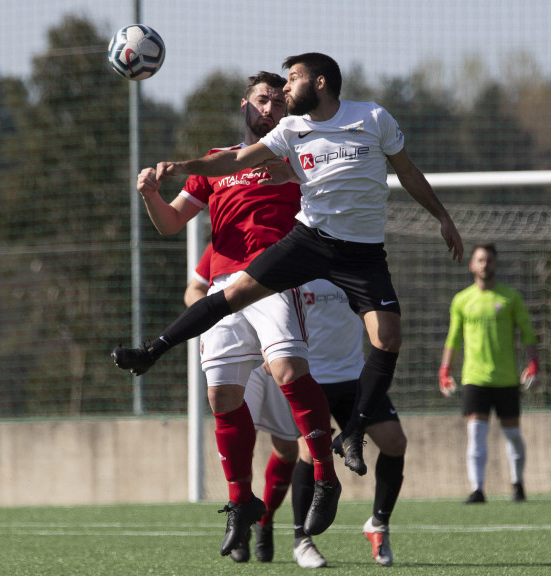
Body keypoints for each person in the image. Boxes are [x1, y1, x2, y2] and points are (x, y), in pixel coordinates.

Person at [113, 52, 463, 482]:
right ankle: (153, 351)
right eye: (267, 95)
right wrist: (180, 169)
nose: (280, 95)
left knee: (387, 337)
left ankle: (351, 433)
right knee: (232, 300)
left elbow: (406, 171)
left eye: (289, 83)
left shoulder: (371, 118)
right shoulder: (288, 131)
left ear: (318, 83)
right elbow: (233, 163)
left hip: (362, 253)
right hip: (309, 242)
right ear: (247, 104)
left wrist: (442, 215)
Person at [118, 71, 340, 556]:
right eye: (263, 100)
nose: (270, 109)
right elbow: (172, 223)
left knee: (287, 369)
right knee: (221, 396)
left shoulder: (297, 156)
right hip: (221, 289)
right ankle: (242, 503)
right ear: (244, 106)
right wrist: (150, 195)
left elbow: (333, 200)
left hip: (274, 280)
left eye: (279, 104)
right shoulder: (217, 163)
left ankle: (325, 476)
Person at [185, 245, 300, 565]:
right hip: (239, 355)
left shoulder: (290, 240)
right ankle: (240, 518)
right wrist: (212, 312)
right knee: (239, 438)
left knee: (287, 448)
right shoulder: (223, 244)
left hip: (276, 357)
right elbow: (194, 289)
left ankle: (265, 519)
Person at [288, 278, 407, 567]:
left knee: (394, 442)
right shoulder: (296, 265)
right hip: (311, 377)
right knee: (308, 451)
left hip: (356, 377)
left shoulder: (353, 265)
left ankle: (378, 525)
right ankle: (301, 540)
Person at [438, 243, 539, 504]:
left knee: (513, 435)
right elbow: (453, 338)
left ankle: (518, 485)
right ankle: (478, 489)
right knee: (476, 434)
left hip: (506, 379)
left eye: (490, 260)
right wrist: (445, 370)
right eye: (480, 260)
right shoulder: (462, 300)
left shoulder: (510, 298)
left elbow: (527, 333)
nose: (485, 265)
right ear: (472, 265)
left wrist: (533, 363)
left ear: (496, 264)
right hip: (475, 379)